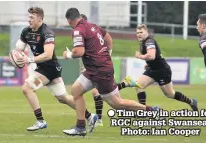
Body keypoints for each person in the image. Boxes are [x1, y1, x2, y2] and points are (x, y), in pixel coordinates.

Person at [62, 7, 160, 136]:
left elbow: (79, 52)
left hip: (99, 71)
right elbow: (108, 37)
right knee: (75, 91)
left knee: (117, 103)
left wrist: (68, 55)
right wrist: (106, 55)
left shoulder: (78, 30)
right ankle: (81, 126)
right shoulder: (93, 26)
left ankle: (151, 110)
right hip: (93, 69)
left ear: (69, 20)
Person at [15, 7, 97, 131]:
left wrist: (29, 60)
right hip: (48, 70)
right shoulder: (26, 32)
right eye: (29, 17)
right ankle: (90, 116)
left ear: (40, 19)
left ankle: (40, 121)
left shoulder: (47, 33)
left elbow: (48, 55)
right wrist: (16, 56)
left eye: (32, 17)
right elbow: (18, 48)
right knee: (63, 98)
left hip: (48, 69)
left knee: (27, 88)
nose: (29, 20)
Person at [117, 24, 198, 111]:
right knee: (139, 86)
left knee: (170, 94)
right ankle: (143, 110)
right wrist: (149, 64)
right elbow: (155, 57)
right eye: (137, 33)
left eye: (141, 32)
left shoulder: (149, 42)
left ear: (146, 32)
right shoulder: (144, 43)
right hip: (152, 70)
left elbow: (151, 56)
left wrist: (140, 56)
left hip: (162, 71)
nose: (139, 34)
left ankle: (191, 102)